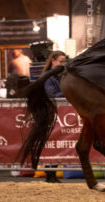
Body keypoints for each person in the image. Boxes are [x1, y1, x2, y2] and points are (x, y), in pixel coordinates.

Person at [43, 50, 67, 183]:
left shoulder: (62, 76)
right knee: (52, 143)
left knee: (58, 144)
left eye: (64, 62)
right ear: (53, 61)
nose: (63, 64)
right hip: (51, 112)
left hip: (62, 114)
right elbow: (51, 94)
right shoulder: (47, 76)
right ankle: (49, 173)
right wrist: (68, 90)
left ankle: (52, 173)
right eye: (61, 61)